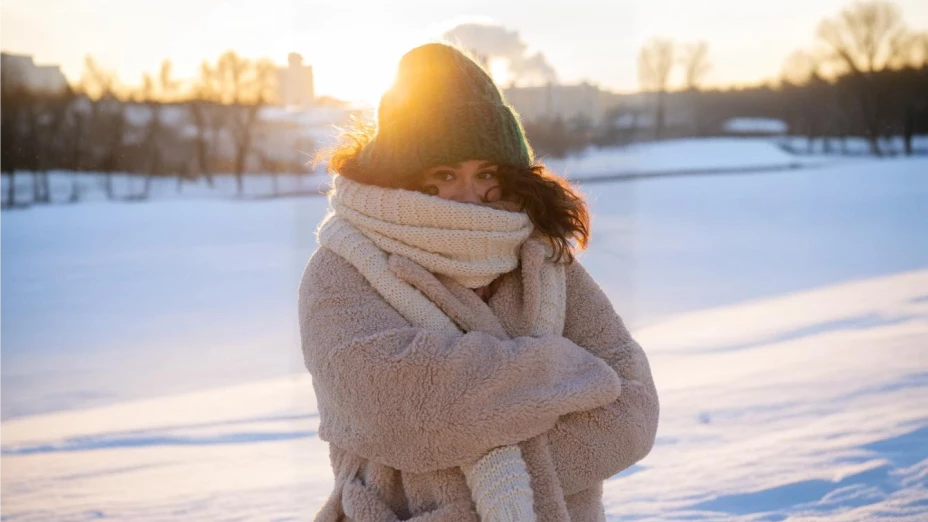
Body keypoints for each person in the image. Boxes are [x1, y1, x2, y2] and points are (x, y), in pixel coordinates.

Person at [299, 42, 659, 522]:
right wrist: (562, 369)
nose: (470, 196)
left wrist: (462, 470)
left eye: (486, 172)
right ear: (402, 176)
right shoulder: (343, 269)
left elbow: (633, 410)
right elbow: (402, 410)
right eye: (444, 173)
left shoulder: (543, 258)